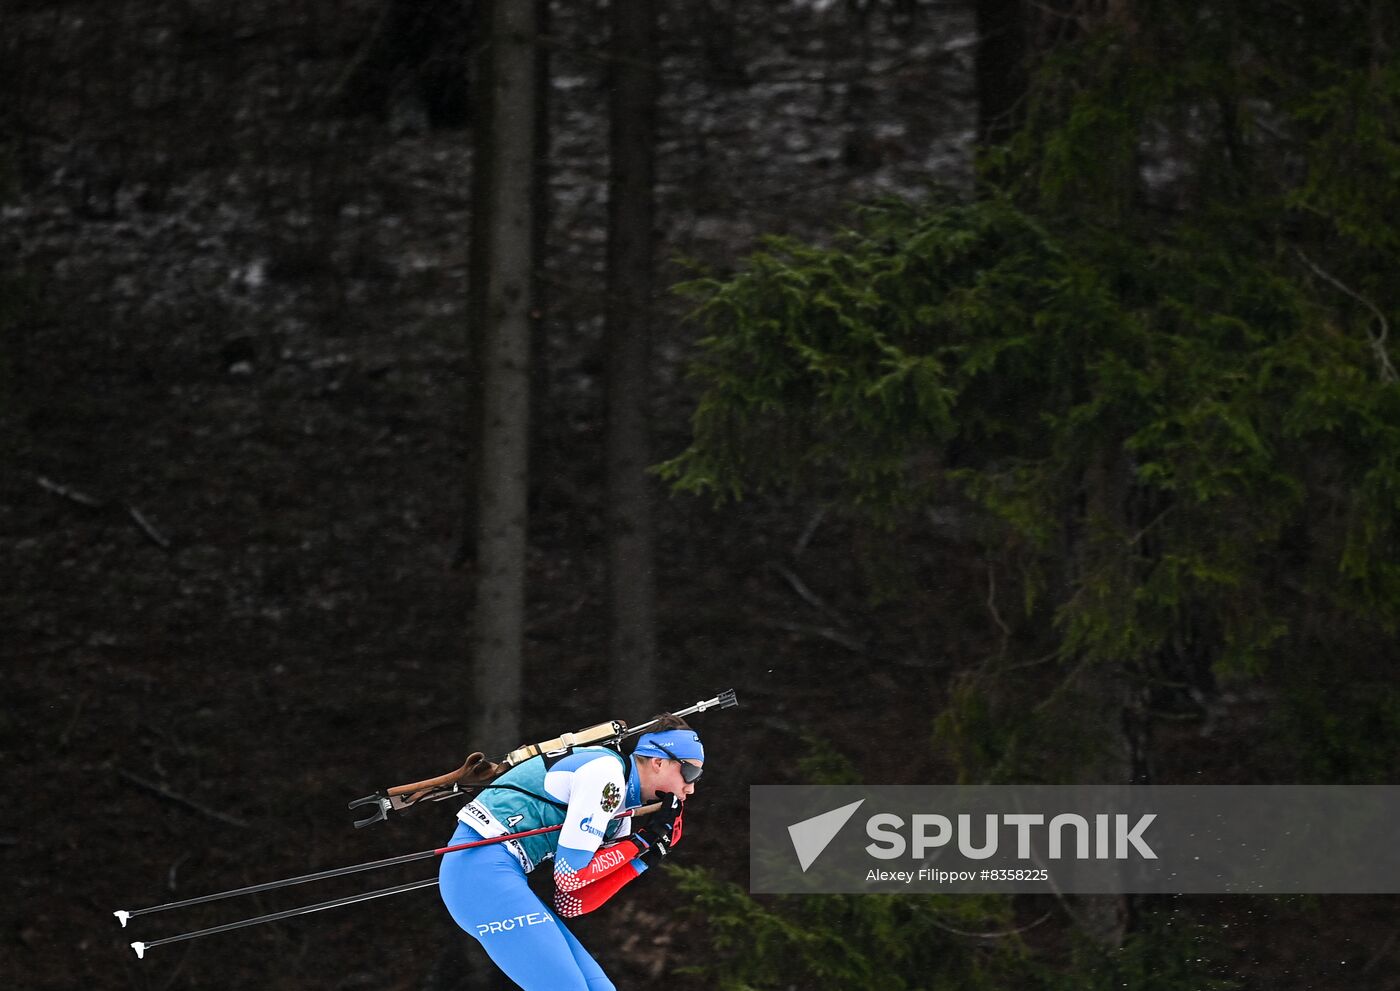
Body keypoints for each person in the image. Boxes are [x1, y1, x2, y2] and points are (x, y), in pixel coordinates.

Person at [438, 714, 704, 991]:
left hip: (492, 875)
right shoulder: (606, 774)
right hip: (479, 873)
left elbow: (573, 902)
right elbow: (571, 876)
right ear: (659, 762)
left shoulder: (619, 812)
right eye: (690, 773)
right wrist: (641, 841)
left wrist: (646, 856)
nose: (691, 787)